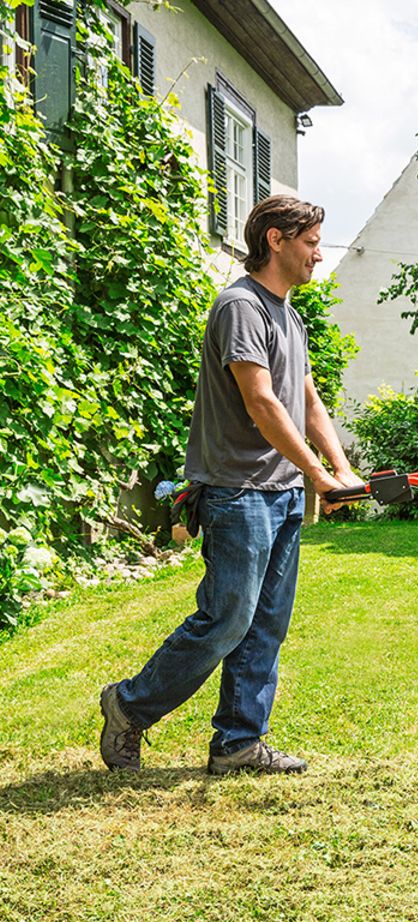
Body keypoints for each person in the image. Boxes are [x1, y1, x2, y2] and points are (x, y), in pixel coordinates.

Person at [99, 195, 361, 776]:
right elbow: (262, 403)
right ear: (275, 239)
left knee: (266, 622)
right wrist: (319, 474)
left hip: (282, 491)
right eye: (311, 243)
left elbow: (307, 399)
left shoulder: (289, 316)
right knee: (228, 619)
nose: (319, 254)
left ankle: (238, 743)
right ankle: (128, 705)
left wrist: (339, 468)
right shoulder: (241, 306)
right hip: (238, 491)